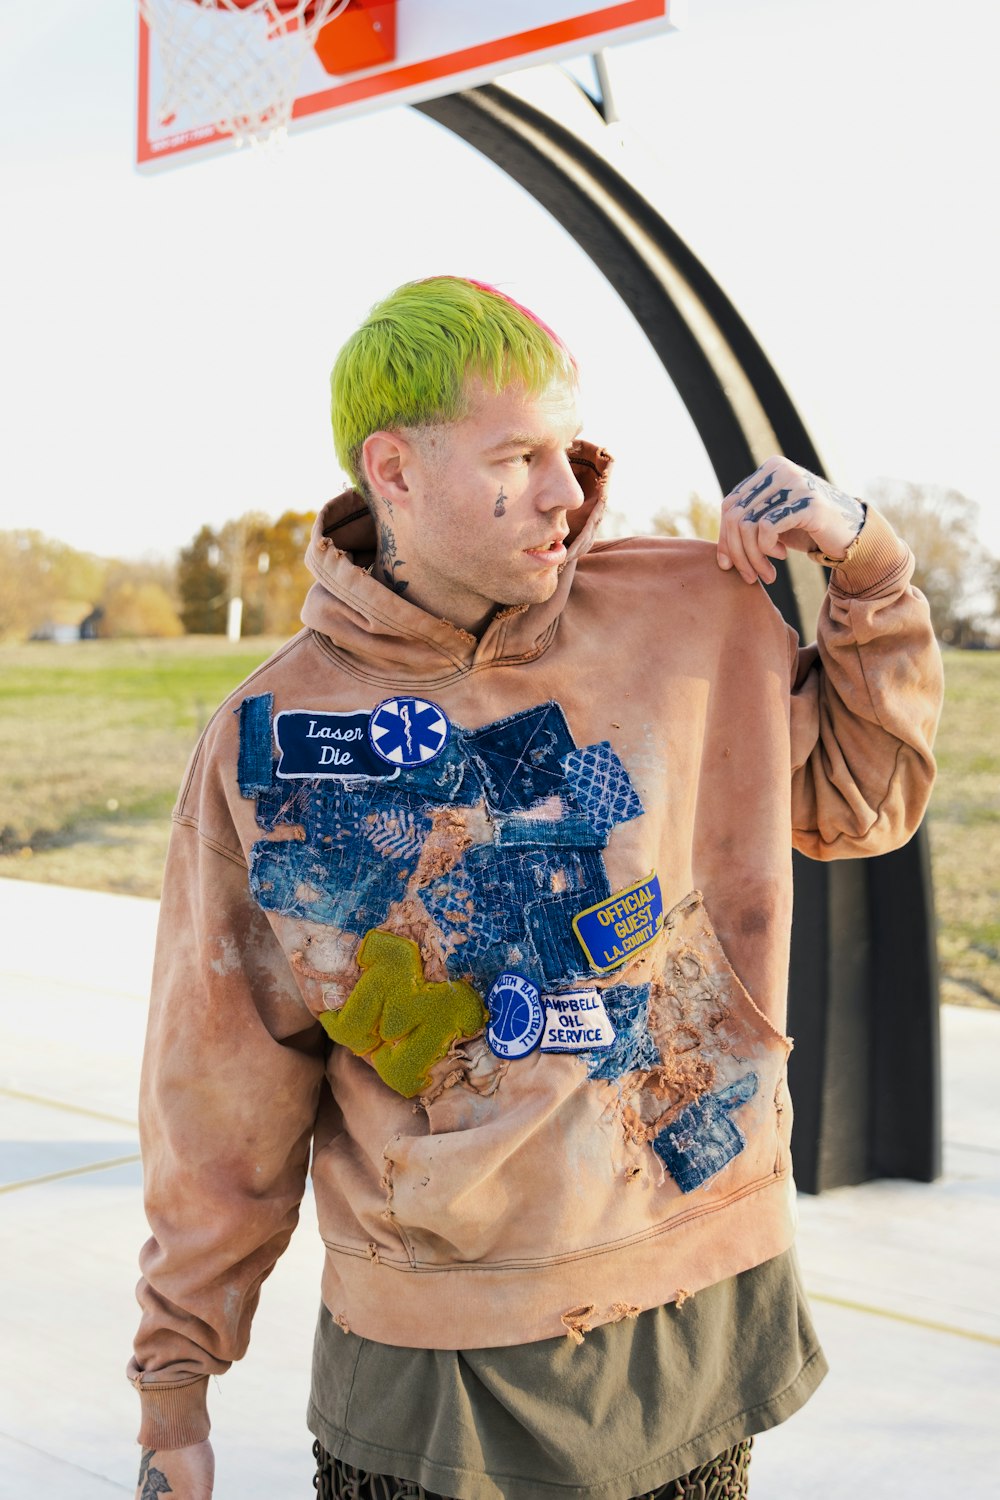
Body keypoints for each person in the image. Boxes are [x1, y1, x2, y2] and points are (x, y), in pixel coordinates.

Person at [128, 276, 943, 1500]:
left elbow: (862, 803)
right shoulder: (273, 735)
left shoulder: (686, 615)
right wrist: (176, 1380)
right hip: (436, 1352)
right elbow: (219, 1088)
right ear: (392, 472)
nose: (567, 490)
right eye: (517, 454)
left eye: (567, 447)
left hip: (695, 1290)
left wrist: (868, 566)